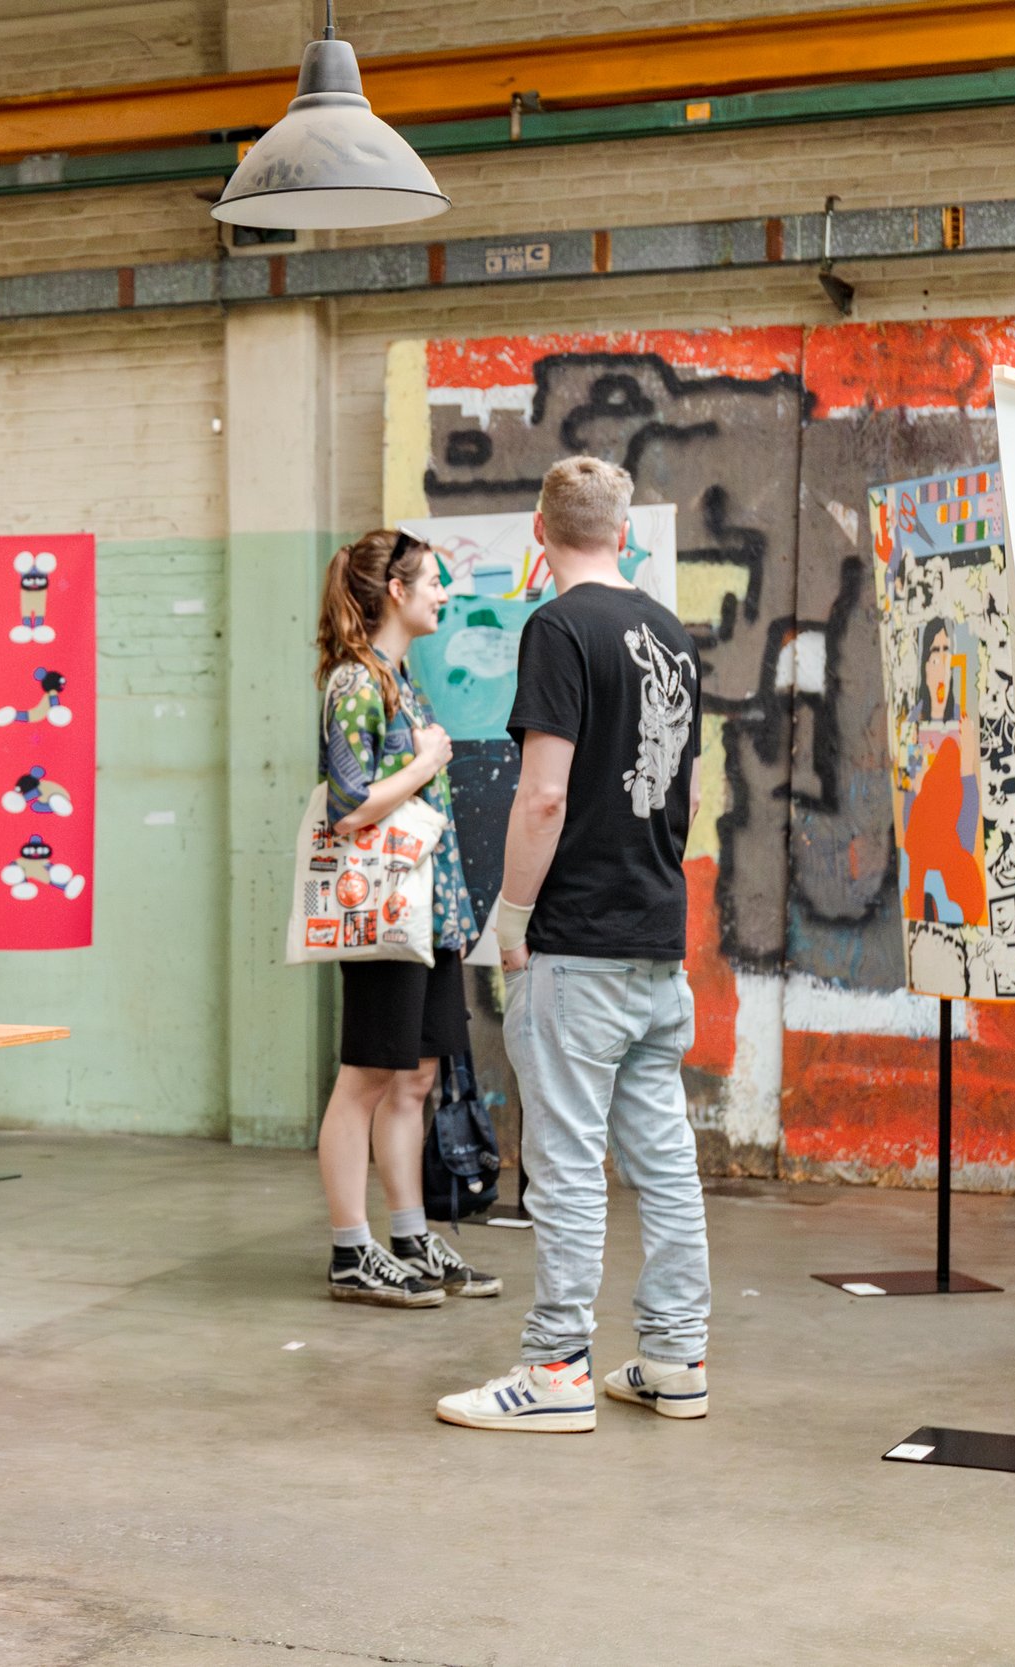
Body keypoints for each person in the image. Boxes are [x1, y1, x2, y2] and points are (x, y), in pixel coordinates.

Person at [436, 456, 709, 1432]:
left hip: (577, 943)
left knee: (564, 1164)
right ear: (623, 532)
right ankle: (675, 1358)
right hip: (655, 939)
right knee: (664, 1163)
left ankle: (555, 1368)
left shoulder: (556, 627)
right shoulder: (671, 634)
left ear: (539, 532)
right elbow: (679, 791)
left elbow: (544, 794)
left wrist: (511, 915)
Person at [314, 528, 499, 1309]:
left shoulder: (400, 679)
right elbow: (347, 805)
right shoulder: (356, 683)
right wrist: (425, 763)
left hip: (428, 911)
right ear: (396, 590)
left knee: (416, 1075)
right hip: (385, 911)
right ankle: (350, 1249)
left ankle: (409, 1232)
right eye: (432, 581)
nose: (443, 594)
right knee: (365, 1076)